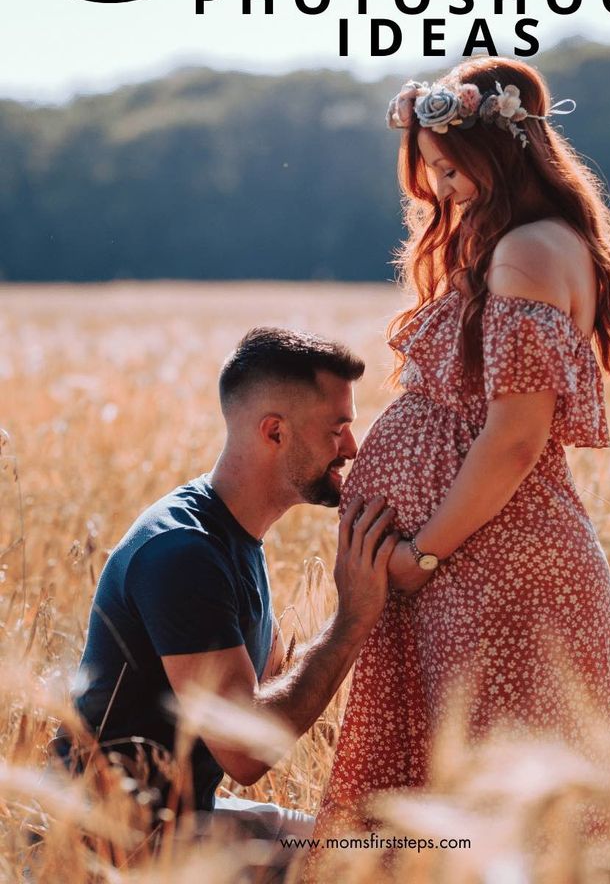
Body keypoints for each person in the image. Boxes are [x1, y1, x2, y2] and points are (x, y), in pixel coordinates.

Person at [313, 56, 610, 839]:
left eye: (449, 171)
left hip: (487, 568)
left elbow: (515, 439)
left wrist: (420, 556)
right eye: (430, 174)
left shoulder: (525, 253)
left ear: (500, 153)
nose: (443, 192)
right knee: (473, 805)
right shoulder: (533, 241)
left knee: (493, 811)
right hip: (475, 565)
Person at [53, 327, 399, 850]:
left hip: (180, 820)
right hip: (111, 844)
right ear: (275, 432)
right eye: (337, 429)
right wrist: (353, 618)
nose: (352, 447)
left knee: (381, 850)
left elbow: (266, 686)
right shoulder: (183, 554)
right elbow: (245, 753)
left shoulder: (231, 537)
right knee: (367, 865)